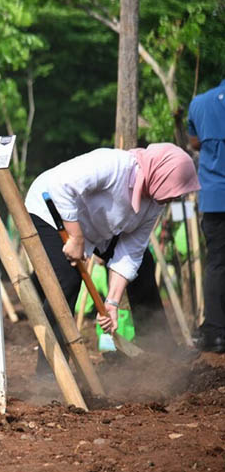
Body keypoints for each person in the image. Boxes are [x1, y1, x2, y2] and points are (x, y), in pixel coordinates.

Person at [24, 143, 199, 370]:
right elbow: (61, 185)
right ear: (160, 175)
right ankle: (49, 373)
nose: (172, 199)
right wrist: (76, 239)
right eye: (172, 192)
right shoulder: (113, 165)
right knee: (67, 281)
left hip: (97, 227)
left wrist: (112, 302)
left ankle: (158, 349)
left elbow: (131, 251)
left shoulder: (155, 200)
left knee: (143, 265)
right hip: (51, 209)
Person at [189, 79, 225, 353]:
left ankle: (215, 333)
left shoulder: (199, 103)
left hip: (214, 198)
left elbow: (194, 142)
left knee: (217, 264)